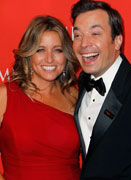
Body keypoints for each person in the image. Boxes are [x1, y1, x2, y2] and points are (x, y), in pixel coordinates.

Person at [0, 15, 81, 180]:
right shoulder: (5, 95)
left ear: (66, 55)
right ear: (29, 54)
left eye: (57, 50)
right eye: (40, 49)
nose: (49, 58)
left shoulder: (77, 97)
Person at [71, 0, 131, 179]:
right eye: (78, 35)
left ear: (117, 41)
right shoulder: (81, 84)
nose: (83, 44)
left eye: (95, 33)